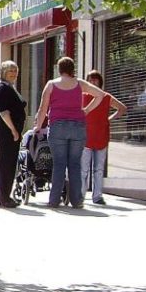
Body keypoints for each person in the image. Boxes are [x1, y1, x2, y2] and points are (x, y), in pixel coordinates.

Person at [35, 55, 107, 209]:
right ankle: (77, 201)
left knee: (59, 164)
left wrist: (38, 126)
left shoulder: (51, 85)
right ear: (72, 69)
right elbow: (100, 94)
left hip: (57, 127)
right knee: (75, 164)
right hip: (78, 127)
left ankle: (54, 200)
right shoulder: (80, 83)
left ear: (59, 69)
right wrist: (86, 110)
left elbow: (43, 108)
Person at [81, 69, 126, 205]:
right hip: (85, 138)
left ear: (100, 82)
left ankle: (97, 196)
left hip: (101, 137)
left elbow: (122, 108)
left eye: (95, 79)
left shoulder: (106, 97)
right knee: (83, 170)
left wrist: (108, 119)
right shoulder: (82, 95)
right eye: (90, 79)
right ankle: (80, 196)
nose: (93, 82)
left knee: (99, 170)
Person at [0, 61, 27, 209]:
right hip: (8, 132)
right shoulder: (3, 88)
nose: (13, 73)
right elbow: (4, 112)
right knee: (7, 165)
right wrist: (13, 130)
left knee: (10, 164)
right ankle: (4, 197)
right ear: (3, 72)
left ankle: (5, 196)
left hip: (12, 132)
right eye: (10, 70)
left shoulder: (10, 87)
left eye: (15, 70)